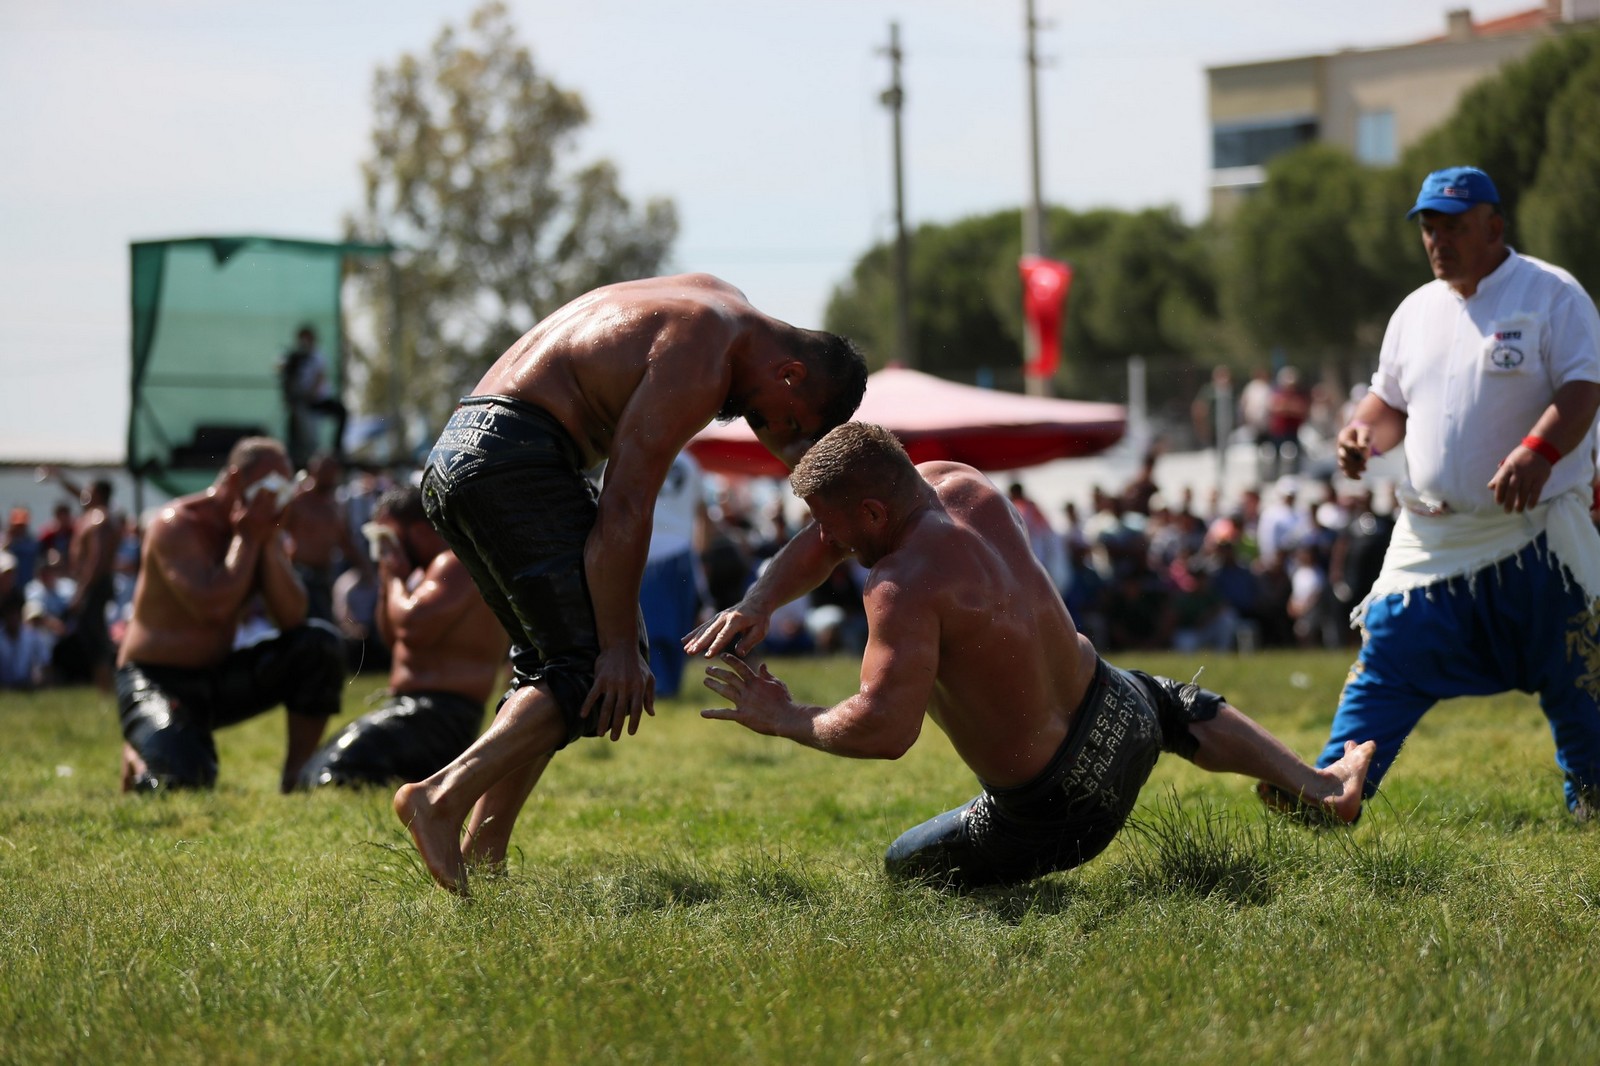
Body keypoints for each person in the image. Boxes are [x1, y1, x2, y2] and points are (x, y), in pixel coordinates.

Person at [685, 422, 1373, 890]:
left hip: (1055, 810)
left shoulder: (900, 587)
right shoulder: (963, 485)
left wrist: (786, 717)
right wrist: (759, 600)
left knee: (905, 868)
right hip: (1120, 716)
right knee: (1173, 703)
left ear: (870, 513)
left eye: (831, 523)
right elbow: (827, 540)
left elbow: (886, 730)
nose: (825, 539)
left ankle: (1316, 789)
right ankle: (1319, 787)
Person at [392, 273, 867, 892]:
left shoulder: (717, 301)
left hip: (460, 450)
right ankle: (438, 798)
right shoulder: (706, 356)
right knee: (591, 669)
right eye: (790, 423)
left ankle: (483, 853)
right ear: (791, 375)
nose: (772, 433)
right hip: (513, 458)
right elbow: (625, 505)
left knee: (550, 665)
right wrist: (618, 647)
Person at [1308, 165, 1600, 819]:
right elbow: (1389, 401)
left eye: (1456, 227)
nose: (1439, 241)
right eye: (1429, 229)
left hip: (1537, 531)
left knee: (1578, 670)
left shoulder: (1553, 294)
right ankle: (1331, 790)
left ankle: (1593, 797)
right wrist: (1361, 433)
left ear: (1495, 227)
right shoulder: (1415, 310)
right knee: (1386, 659)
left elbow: (1584, 387)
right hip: (1433, 539)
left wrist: (1538, 451)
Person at [115, 437, 346, 793]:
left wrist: (266, 543)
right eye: (271, 487)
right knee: (186, 778)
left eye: (286, 488)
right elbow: (213, 607)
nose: (278, 499)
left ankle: (296, 775)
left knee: (319, 646)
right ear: (237, 480)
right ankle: (141, 750)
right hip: (156, 678)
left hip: (216, 678)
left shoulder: (260, 529)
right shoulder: (176, 524)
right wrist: (250, 539)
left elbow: (293, 617)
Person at [298, 486, 509, 789]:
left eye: (388, 537)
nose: (383, 548)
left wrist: (395, 576)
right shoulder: (425, 573)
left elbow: (412, 625)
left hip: (442, 715)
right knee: (316, 769)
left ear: (420, 531)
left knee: (334, 771)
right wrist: (388, 577)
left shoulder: (454, 563)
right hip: (417, 711)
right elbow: (392, 636)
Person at [637, 451, 710, 698]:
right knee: (677, 625)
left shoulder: (633, 450)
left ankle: (659, 687)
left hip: (645, 552)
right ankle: (668, 686)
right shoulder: (690, 461)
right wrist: (698, 556)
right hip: (681, 551)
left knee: (653, 626)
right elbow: (703, 513)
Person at [283, 453, 366, 623]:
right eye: (325, 471)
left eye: (332, 472)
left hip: (324, 575)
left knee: (324, 623)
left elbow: (345, 541)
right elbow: (276, 530)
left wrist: (364, 567)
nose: (329, 477)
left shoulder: (335, 506)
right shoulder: (298, 501)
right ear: (314, 472)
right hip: (299, 573)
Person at [64, 478, 118, 690]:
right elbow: (78, 493)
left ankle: (109, 688)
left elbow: (97, 559)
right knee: (92, 636)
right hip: (93, 584)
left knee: (96, 638)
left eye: (90, 491)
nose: (85, 493)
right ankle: (104, 688)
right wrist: (60, 478)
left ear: (99, 495)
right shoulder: (95, 515)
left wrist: (82, 591)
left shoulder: (100, 519)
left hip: (96, 584)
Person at [280, 325, 348, 467]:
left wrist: (311, 393)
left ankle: (337, 449)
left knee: (341, 412)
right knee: (299, 432)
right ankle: (295, 456)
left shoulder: (318, 355)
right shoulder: (296, 357)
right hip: (303, 401)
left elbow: (320, 376)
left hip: (317, 399)